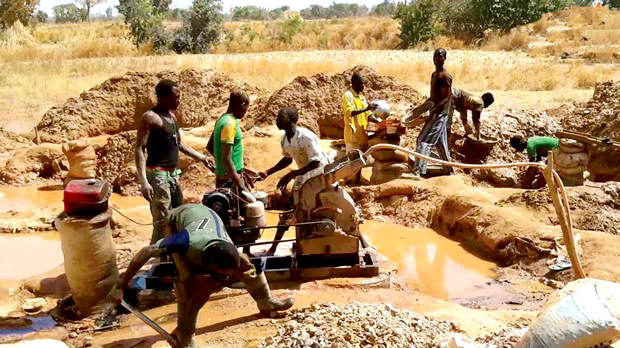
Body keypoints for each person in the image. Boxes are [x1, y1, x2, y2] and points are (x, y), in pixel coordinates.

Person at [120, 204, 294, 348]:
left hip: (209, 221)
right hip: (177, 221)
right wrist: (123, 283)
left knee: (246, 265)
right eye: (222, 274)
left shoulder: (227, 247)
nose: (225, 279)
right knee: (187, 284)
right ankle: (185, 335)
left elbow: (229, 268)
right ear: (213, 265)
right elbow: (146, 252)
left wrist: (217, 281)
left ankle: (266, 302)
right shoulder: (185, 242)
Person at [136, 79, 214, 245]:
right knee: (162, 221)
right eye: (175, 97)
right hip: (158, 175)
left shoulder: (171, 117)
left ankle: (173, 255)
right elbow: (139, 149)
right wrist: (143, 182)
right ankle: (157, 258)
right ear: (163, 97)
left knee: (178, 215)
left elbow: (178, 144)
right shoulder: (150, 118)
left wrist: (201, 158)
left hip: (172, 175)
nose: (179, 100)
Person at [258, 107, 333, 255]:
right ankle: (276, 248)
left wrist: (292, 174)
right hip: (304, 176)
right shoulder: (285, 139)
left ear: (292, 120)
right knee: (289, 210)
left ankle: (305, 247)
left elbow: (316, 163)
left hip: (319, 176)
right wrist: (268, 172)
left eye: (281, 117)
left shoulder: (306, 136)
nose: (277, 120)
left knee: (300, 209)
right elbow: (287, 159)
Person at [412, 48, 454, 179]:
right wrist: (423, 107)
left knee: (424, 141)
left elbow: (445, 99)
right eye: (435, 56)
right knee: (440, 143)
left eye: (440, 56)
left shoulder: (445, 77)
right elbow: (433, 97)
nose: (437, 58)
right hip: (434, 111)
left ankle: (418, 171)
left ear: (445, 58)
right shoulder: (434, 75)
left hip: (440, 113)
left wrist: (432, 112)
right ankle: (449, 170)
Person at [207, 89, 252, 192]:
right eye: (246, 108)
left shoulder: (222, 120)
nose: (245, 112)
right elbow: (227, 158)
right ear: (242, 105)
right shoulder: (229, 125)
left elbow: (210, 147)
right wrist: (240, 184)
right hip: (230, 181)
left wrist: (221, 165)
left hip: (228, 177)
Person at [342, 72, 379, 184]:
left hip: (362, 135)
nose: (363, 86)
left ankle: (356, 182)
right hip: (353, 136)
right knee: (352, 164)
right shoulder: (348, 96)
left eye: (363, 84)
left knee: (360, 162)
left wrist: (378, 121)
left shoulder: (361, 97)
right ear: (353, 83)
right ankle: (349, 184)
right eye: (360, 84)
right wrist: (366, 108)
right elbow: (349, 112)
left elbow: (367, 115)